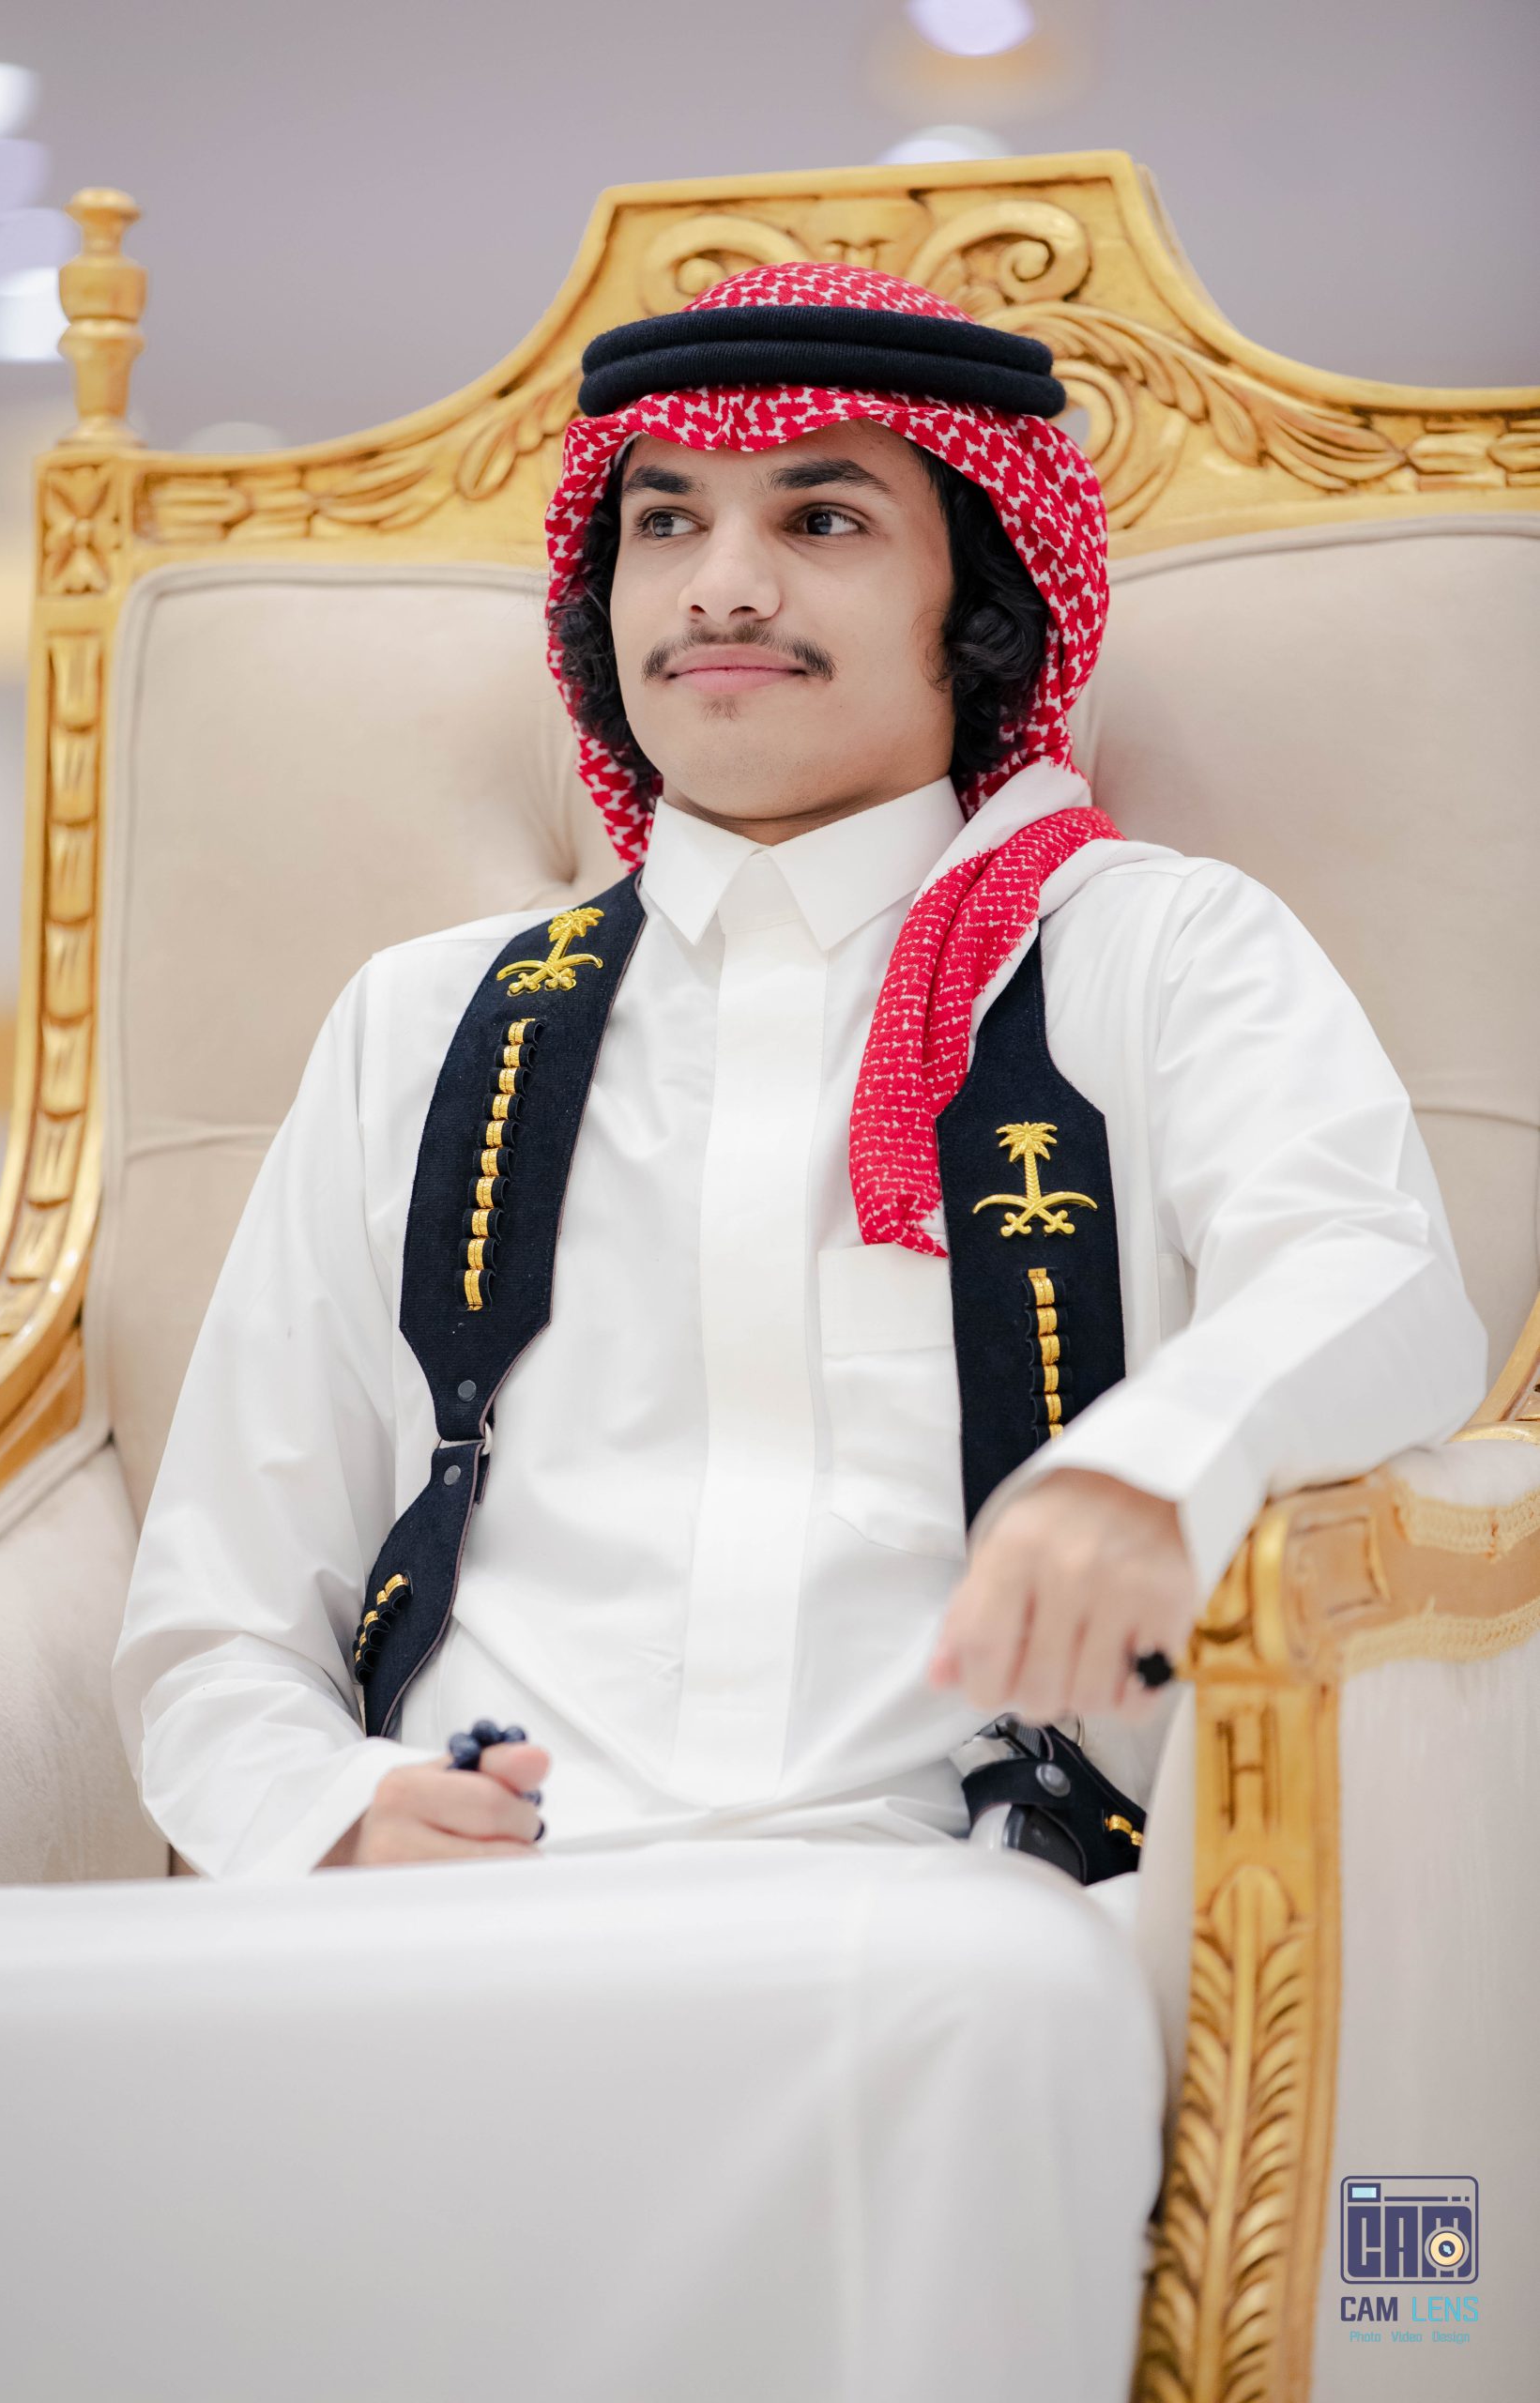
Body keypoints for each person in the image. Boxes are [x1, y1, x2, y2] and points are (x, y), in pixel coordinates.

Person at [109, 263, 1485, 2397]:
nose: (721, 583)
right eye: (664, 520)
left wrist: (1150, 1466)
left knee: (928, 2067)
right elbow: (218, 1597)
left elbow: (1378, 1279)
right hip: (459, 1909)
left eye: (820, 516)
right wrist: (320, 1810)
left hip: (943, 1913)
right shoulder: (428, 1019)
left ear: (980, 607)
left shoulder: (1149, 952)